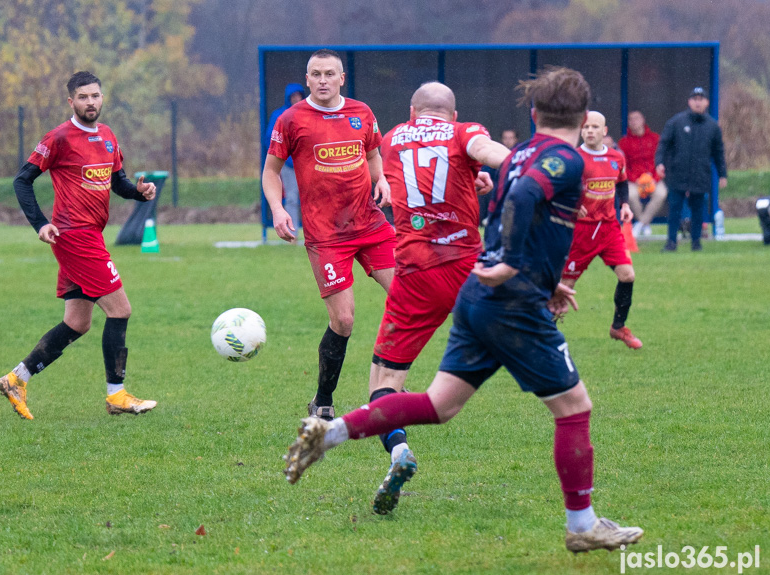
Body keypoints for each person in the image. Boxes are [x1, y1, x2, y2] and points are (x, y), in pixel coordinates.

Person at [284, 66, 644, 553]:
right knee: (574, 406)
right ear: (584, 119)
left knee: (436, 403)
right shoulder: (514, 146)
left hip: (420, 273)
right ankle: (581, 524)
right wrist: (519, 260)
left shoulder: (392, 137)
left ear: (535, 113)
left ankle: (331, 432)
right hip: (488, 284)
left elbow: (497, 181)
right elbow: (510, 180)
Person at [368, 82, 510, 514]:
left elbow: (419, 178)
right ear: (453, 112)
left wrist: (468, 176)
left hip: (416, 271)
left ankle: (398, 452)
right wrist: (524, 167)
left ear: (413, 111)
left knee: (383, 380)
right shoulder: (463, 132)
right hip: (470, 267)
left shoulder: (391, 138)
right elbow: (488, 152)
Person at [0, 71, 158, 420]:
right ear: (71, 101)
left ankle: (16, 379)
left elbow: (118, 182)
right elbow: (22, 180)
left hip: (90, 236)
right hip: (74, 237)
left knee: (77, 323)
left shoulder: (108, 137)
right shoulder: (59, 138)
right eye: (83, 97)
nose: (90, 102)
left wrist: (139, 193)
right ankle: (117, 395)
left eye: (95, 96)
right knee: (120, 310)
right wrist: (40, 224)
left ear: (102, 98)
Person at [262, 49, 396, 421]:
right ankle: (323, 399)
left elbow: (372, 155)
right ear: (307, 79)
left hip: (370, 224)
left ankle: (390, 383)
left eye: (329, 74)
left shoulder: (361, 113)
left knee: (409, 295)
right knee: (345, 320)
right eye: (315, 74)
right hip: (326, 236)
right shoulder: (291, 120)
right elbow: (271, 172)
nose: (322, 80)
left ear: (341, 79)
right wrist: (278, 209)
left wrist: (381, 179)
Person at [563, 111, 642, 350]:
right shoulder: (574, 158)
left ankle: (618, 327)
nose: (589, 131)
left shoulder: (616, 157)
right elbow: (561, 190)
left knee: (628, 275)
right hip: (581, 233)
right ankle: (542, 335)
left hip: (609, 229)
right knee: (565, 286)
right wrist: (573, 207)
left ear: (604, 131)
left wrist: (625, 205)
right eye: (586, 127)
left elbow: (621, 183)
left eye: (595, 127)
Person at [656, 87, 727, 252]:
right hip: (677, 174)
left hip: (700, 175)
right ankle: (671, 242)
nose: (697, 102)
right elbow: (663, 145)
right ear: (689, 101)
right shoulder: (676, 122)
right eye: (695, 98)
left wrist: (722, 174)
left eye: (701, 99)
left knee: (698, 210)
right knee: (674, 209)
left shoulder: (712, 127)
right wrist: (660, 162)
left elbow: (718, 152)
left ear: (706, 102)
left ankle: (696, 242)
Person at [263, 83, 306, 235]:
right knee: (292, 199)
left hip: (308, 165)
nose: (296, 99)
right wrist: (285, 159)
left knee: (314, 199)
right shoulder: (280, 115)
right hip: (289, 165)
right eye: (293, 96)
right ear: (288, 98)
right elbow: (270, 140)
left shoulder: (308, 114)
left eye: (299, 96)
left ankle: (317, 234)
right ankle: (292, 233)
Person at [620, 110, 666, 237]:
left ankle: (640, 224)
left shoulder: (655, 138)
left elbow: (661, 160)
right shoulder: (624, 143)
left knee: (661, 194)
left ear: (643, 120)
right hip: (634, 180)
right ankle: (645, 224)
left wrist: (654, 177)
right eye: (631, 119)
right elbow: (623, 166)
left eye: (636, 118)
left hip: (654, 178)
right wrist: (636, 179)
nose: (634, 122)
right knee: (630, 195)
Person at [478, 129, 517, 225]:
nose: (508, 141)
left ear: (515, 139)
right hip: (496, 189)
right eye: (505, 138)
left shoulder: (520, 153)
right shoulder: (494, 154)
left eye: (511, 138)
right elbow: (486, 173)